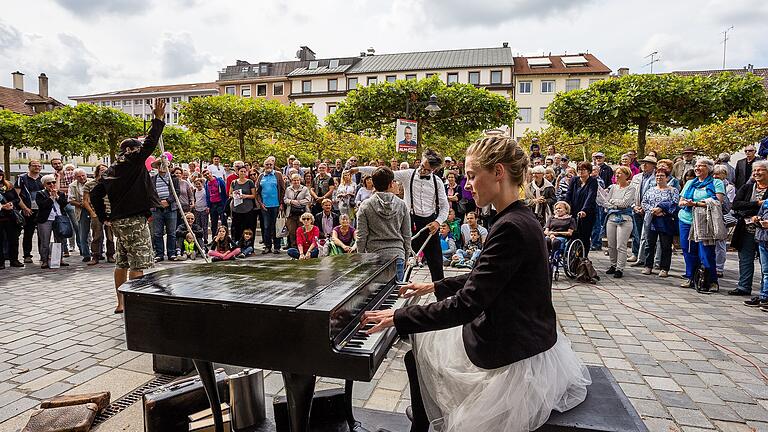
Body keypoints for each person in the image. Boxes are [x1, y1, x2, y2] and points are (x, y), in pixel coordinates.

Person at [362, 136, 590, 432]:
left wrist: (397, 317)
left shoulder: (509, 227)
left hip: (510, 348)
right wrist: (432, 287)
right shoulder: (521, 217)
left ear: (498, 172)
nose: (466, 184)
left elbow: (467, 305)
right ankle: (426, 412)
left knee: (422, 342)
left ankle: (429, 416)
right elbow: (488, 274)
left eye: (471, 176)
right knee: (423, 345)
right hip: (531, 335)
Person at [90, 98, 166, 314]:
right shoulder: (133, 160)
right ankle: (135, 306)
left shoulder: (111, 169)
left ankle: (121, 303)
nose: (142, 152)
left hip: (118, 221)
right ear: (132, 150)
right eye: (138, 149)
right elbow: (151, 142)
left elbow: (96, 192)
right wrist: (158, 120)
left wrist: (105, 216)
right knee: (138, 263)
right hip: (134, 220)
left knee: (122, 262)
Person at [355, 149, 449, 283]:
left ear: (433, 170)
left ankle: (441, 298)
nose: (422, 171)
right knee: (406, 264)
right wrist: (358, 169)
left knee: (437, 266)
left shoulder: (437, 182)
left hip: (430, 225)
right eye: (421, 166)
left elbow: (445, 207)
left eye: (427, 170)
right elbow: (382, 173)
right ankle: (400, 291)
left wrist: (438, 222)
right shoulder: (408, 175)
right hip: (411, 222)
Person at [356, 166, 412, 281]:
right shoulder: (401, 205)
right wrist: (406, 256)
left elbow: (361, 236)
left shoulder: (365, 206)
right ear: (391, 184)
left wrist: (360, 258)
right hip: (397, 255)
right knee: (395, 294)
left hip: (374, 256)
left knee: (375, 296)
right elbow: (407, 235)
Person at [678, 159, 725, 292]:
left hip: (705, 222)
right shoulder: (690, 183)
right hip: (686, 219)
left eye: (701, 166)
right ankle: (692, 277)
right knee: (688, 250)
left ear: (709, 168)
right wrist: (685, 203)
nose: (697, 168)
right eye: (696, 166)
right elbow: (680, 201)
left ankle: (711, 281)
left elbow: (718, 202)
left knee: (706, 252)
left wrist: (696, 204)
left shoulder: (717, 182)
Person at [730, 160, 768, 296]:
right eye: (754, 170)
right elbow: (736, 205)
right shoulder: (747, 188)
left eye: (760, 170)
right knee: (745, 259)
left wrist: (749, 209)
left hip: (765, 232)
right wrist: (757, 203)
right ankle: (744, 287)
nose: (756, 173)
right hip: (747, 230)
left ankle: (764, 293)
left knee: (765, 265)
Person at [598, 166, 636, 278]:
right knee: (611, 245)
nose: (617, 175)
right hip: (612, 217)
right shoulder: (613, 187)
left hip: (625, 218)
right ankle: (613, 265)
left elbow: (625, 203)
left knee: (621, 245)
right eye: (616, 173)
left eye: (620, 173)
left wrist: (614, 202)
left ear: (626, 175)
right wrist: (615, 203)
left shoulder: (631, 188)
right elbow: (607, 201)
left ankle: (620, 268)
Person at [641, 168, 679, 278]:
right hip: (651, 219)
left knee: (665, 245)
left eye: (662, 175)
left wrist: (661, 210)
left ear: (667, 178)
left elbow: (674, 203)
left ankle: (664, 268)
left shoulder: (673, 190)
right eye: (657, 176)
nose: (659, 178)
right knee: (649, 244)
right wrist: (653, 210)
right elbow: (644, 202)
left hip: (665, 220)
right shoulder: (650, 190)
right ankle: (648, 266)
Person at [35, 174, 70, 269]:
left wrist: (57, 197)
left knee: (60, 240)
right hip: (45, 220)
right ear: (44, 185)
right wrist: (51, 197)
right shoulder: (40, 194)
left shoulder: (60, 193)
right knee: (45, 242)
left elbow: (64, 204)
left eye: (53, 182)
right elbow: (42, 205)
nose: (52, 184)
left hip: (59, 219)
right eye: (49, 183)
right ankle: (45, 260)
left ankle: (59, 259)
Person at [83, 164, 115, 265]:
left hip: (110, 212)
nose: (103, 172)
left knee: (110, 236)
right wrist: (92, 213)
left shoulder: (111, 183)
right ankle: (95, 256)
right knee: (97, 235)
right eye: (101, 170)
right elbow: (85, 201)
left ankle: (110, 255)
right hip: (96, 212)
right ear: (97, 171)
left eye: (105, 170)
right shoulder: (89, 184)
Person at [565, 161, 598, 258]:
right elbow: (568, 194)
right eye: (579, 169)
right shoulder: (574, 180)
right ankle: (572, 257)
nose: (581, 171)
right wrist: (566, 207)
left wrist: (584, 210)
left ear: (589, 171)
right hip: (573, 211)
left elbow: (590, 196)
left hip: (587, 213)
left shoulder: (593, 181)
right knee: (573, 235)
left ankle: (583, 258)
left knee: (584, 236)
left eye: (584, 169)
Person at [150, 159, 180, 262]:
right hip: (157, 209)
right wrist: (158, 202)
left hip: (170, 208)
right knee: (157, 233)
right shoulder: (152, 179)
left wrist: (168, 201)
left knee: (171, 232)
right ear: (157, 167)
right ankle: (159, 254)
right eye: (160, 165)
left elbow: (176, 192)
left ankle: (171, 253)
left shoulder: (173, 179)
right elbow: (150, 193)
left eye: (164, 165)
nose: (162, 167)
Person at [628, 156, 657, 265]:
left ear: (653, 166)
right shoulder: (636, 177)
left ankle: (646, 257)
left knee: (648, 235)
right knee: (636, 233)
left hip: (649, 210)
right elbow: (630, 193)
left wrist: (646, 208)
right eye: (643, 163)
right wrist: (634, 206)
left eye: (648, 163)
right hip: (636, 208)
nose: (644, 165)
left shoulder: (656, 178)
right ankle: (635, 253)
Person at [14, 160, 43, 264]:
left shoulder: (43, 179)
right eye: (34, 165)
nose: (36, 167)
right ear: (29, 167)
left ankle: (43, 255)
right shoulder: (21, 178)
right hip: (28, 210)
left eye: (38, 166)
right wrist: (24, 208)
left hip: (41, 210)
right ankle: (27, 255)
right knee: (28, 233)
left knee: (42, 234)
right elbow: (16, 195)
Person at [254, 158, 285, 254]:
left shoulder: (278, 175)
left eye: (270, 164)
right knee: (266, 227)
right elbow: (257, 191)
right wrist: (260, 203)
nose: (268, 166)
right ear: (264, 166)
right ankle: (267, 246)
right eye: (266, 164)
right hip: (265, 206)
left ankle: (277, 247)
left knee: (276, 226)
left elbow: (283, 189)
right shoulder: (261, 176)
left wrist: (281, 203)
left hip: (276, 205)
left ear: (273, 165)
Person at [713, 164, 736, 277]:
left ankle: (719, 268)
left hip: (722, 217)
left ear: (725, 175)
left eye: (718, 174)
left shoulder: (729, 187)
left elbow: (728, 204)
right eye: (714, 174)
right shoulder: (711, 184)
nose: (715, 176)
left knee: (720, 243)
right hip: (710, 216)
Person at [52, 159, 77, 256]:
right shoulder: (52, 176)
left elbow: (73, 187)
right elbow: (55, 190)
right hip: (59, 203)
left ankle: (83, 250)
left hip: (71, 202)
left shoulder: (70, 173)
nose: (57, 165)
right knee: (62, 226)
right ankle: (64, 250)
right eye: (55, 164)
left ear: (62, 163)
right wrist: (62, 189)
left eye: (59, 163)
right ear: (52, 165)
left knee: (76, 226)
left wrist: (60, 190)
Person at [0, 168, 23, 269]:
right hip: (0, 218)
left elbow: (17, 198)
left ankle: (14, 260)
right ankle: (1, 262)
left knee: (13, 240)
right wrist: (2, 206)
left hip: (11, 217)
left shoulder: (8, 185)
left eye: (0, 175)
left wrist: (11, 203)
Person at [67, 168, 91, 263]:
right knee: (83, 232)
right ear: (75, 177)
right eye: (79, 176)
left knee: (98, 232)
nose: (81, 178)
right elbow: (70, 200)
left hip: (94, 209)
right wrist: (82, 204)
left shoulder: (92, 182)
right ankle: (86, 254)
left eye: (83, 175)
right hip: (82, 210)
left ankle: (98, 252)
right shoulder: (72, 186)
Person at [284, 173, 312, 249]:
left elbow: (308, 199)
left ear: (300, 180)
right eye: (294, 180)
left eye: (297, 180)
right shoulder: (288, 189)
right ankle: (294, 247)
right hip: (291, 213)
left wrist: (299, 202)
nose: (296, 182)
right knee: (292, 232)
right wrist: (291, 201)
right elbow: (285, 199)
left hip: (302, 213)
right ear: (291, 181)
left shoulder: (305, 189)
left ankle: (302, 247)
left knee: (302, 231)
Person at [229, 166, 256, 242]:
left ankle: (248, 245)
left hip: (248, 209)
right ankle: (236, 244)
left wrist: (245, 196)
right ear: (238, 172)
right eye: (241, 171)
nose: (243, 173)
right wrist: (235, 195)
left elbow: (254, 195)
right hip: (236, 209)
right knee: (236, 228)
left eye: (245, 171)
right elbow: (230, 194)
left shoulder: (250, 182)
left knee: (248, 228)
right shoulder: (234, 182)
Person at [203, 169, 228, 237]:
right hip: (212, 204)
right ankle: (214, 237)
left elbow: (225, 192)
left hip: (221, 203)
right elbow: (207, 195)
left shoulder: (219, 181)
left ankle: (225, 237)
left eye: (208, 174)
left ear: (211, 173)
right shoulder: (206, 183)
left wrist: (225, 204)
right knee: (213, 223)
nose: (207, 175)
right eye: (205, 175)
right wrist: (208, 205)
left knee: (224, 221)